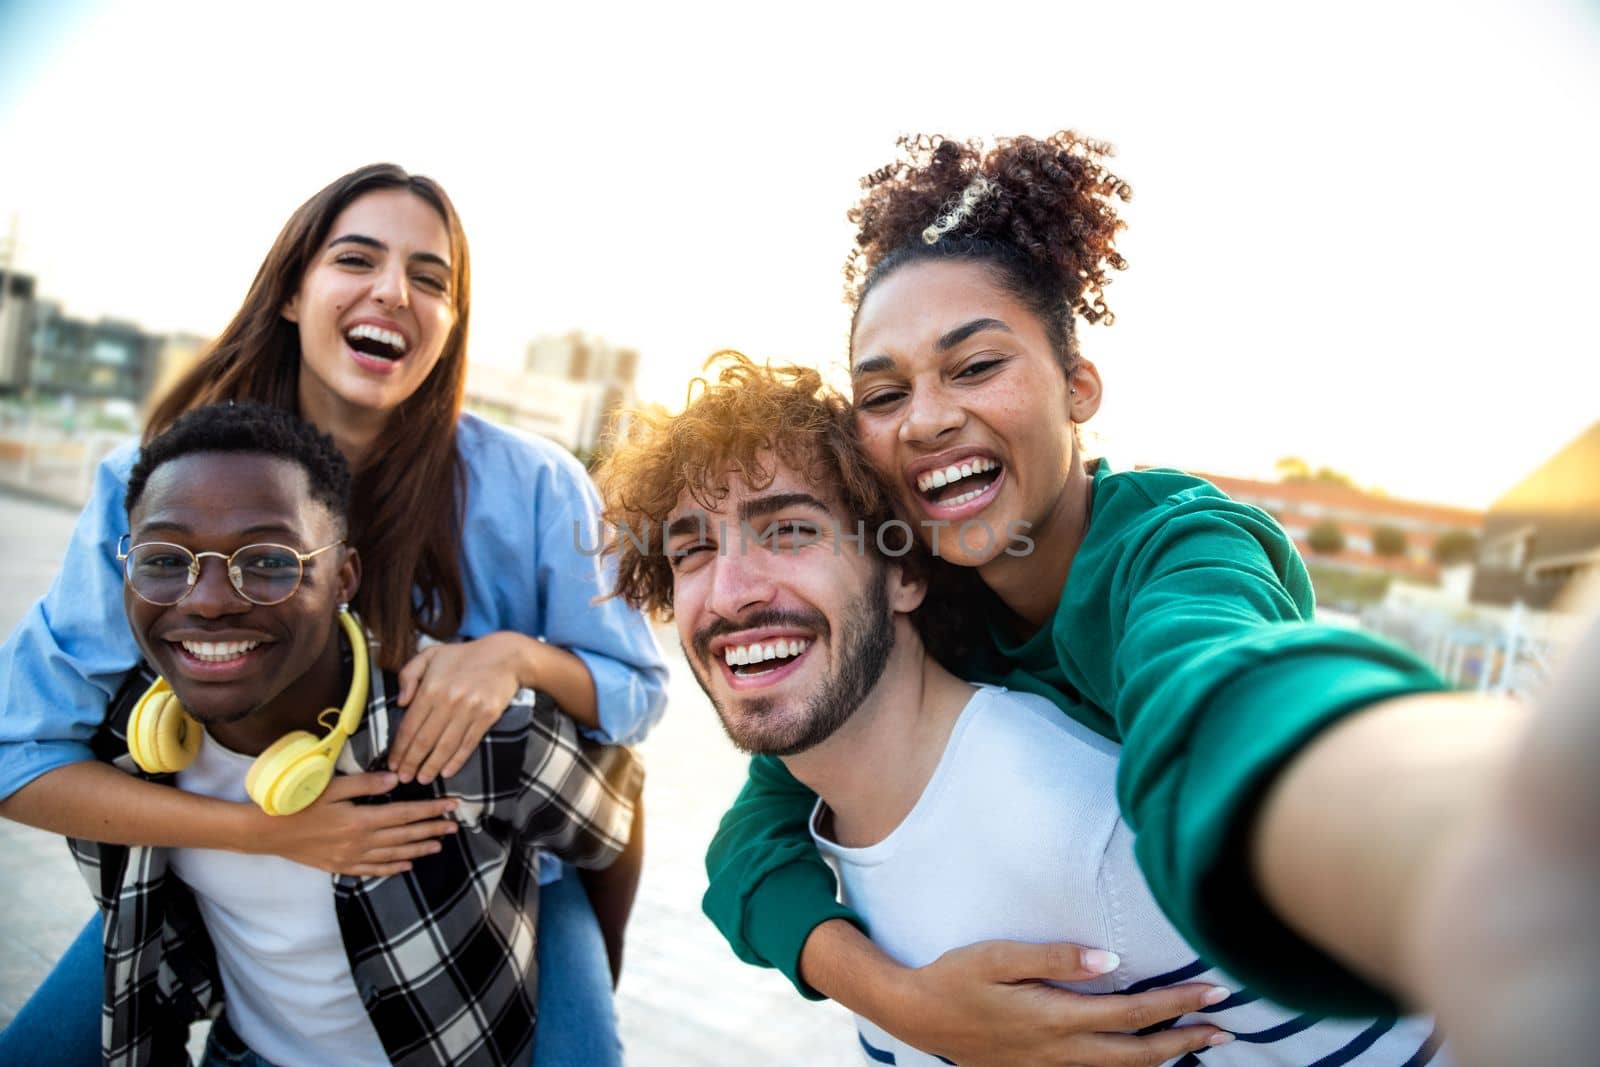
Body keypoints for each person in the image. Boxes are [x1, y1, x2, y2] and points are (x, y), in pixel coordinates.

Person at [699, 133, 1595, 1066]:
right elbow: (750, 843)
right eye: (883, 392)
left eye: (974, 367)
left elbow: (1221, 699)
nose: (925, 417)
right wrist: (908, 1004)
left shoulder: (1177, 547)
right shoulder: (929, 596)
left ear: (1077, 385)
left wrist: (1471, 838)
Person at [598, 353, 1445, 1065]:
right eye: (693, 549)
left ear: (905, 572)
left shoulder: (1088, 829)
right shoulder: (848, 807)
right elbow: (742, 850)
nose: (733, 590)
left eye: (788, 531)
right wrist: (897, 999)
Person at [0, 163, 667, 1067]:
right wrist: (263, 832)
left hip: (499, 877)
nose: (393, 291)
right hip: (228, 852)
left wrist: (516, 657)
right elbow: (21, 749)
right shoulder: (151, 486)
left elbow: (634, 704)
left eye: (431, 278)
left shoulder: (539, 484)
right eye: (357, 259)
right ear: (291, 292)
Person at [68, 401, 641, 1067]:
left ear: (343, 576)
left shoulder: (474, 731)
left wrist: (596, 977)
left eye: (269, 561)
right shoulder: (122, 750)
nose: (209, 599)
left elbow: (619, 824)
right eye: (165, 559)